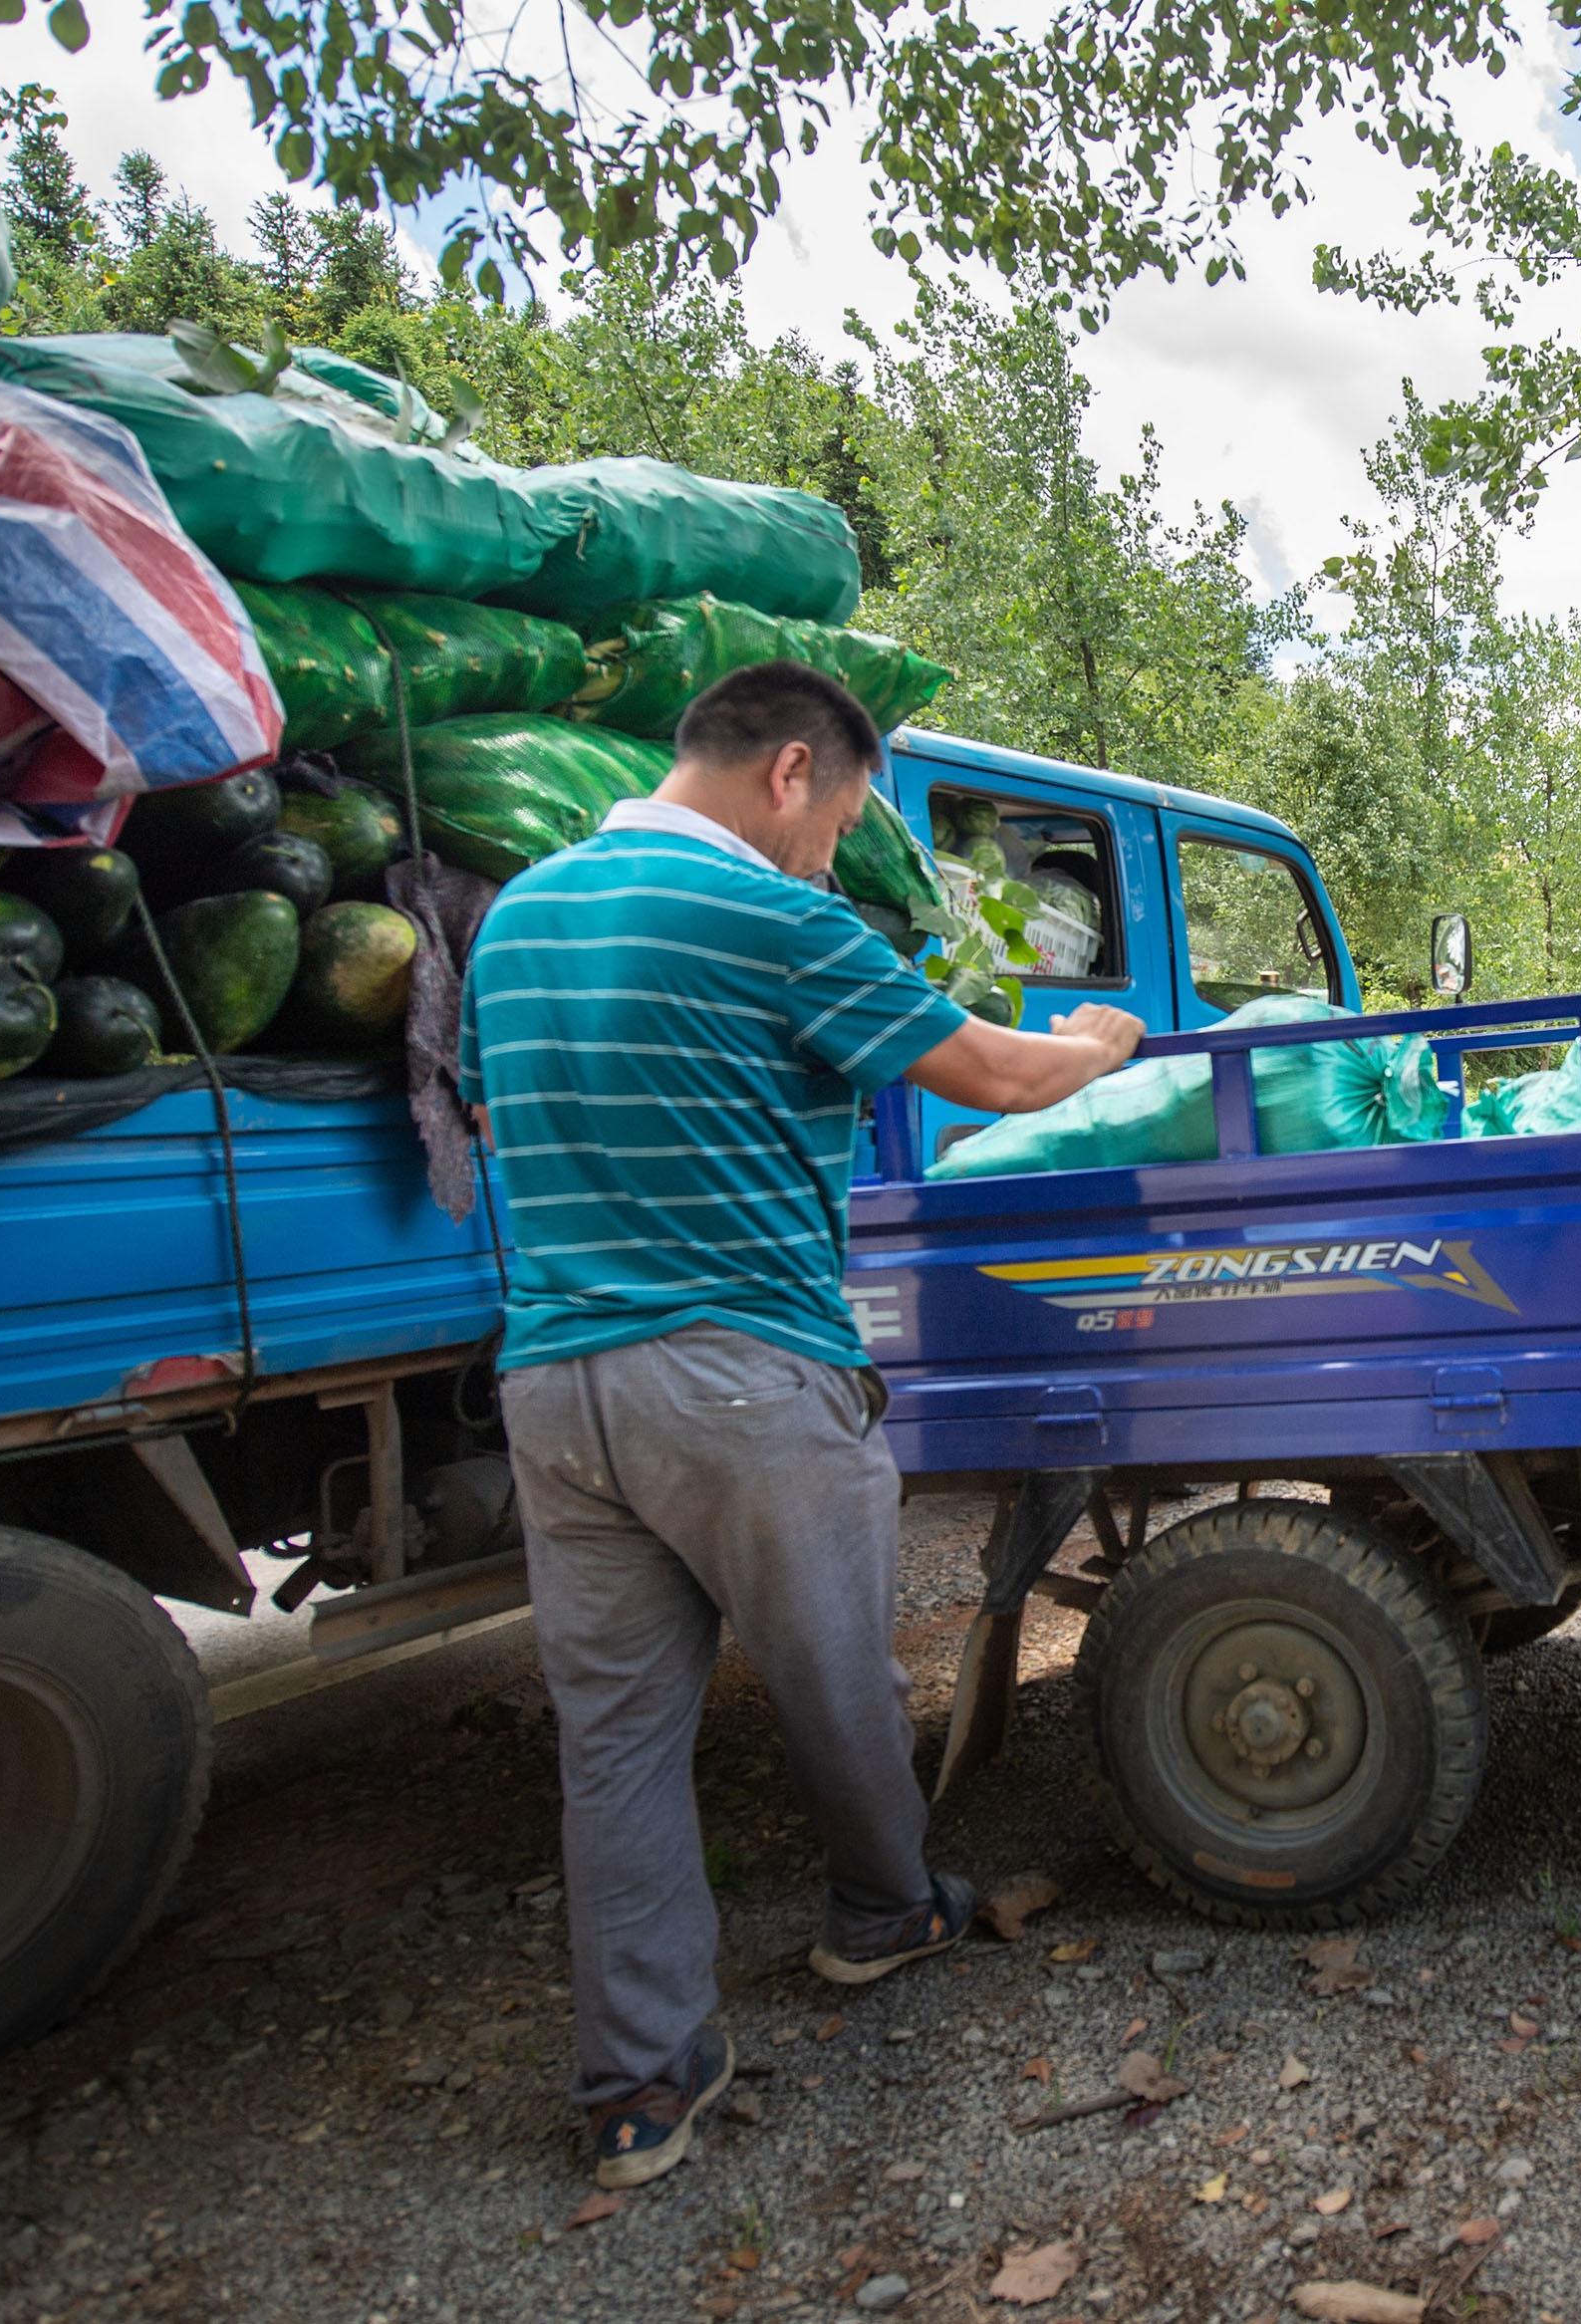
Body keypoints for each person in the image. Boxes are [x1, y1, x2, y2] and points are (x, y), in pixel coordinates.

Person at [460, 660, 1142, 2190]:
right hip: (743, 1373)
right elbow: (994, 1072)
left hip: (558, 1386)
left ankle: (641, 2089)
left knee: (617, 1741)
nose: (837, 849)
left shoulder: (516, 917)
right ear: (788, 772)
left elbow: (490, 1112)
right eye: (842, 815)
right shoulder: (774, 918)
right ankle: (880, 1912)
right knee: (838, 1673)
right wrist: (1100, 1041)